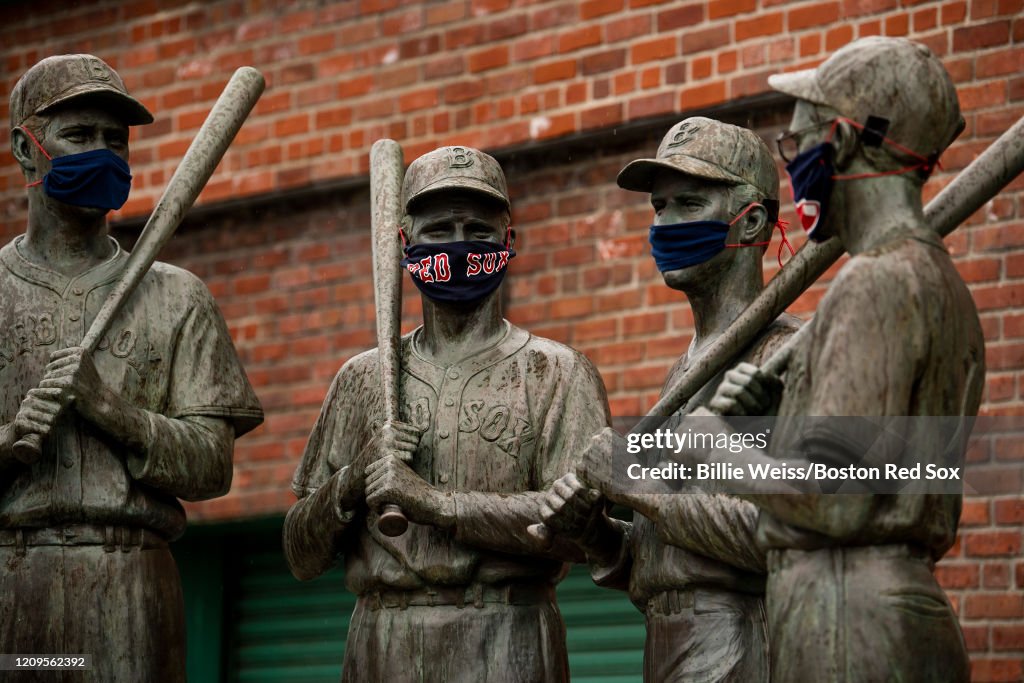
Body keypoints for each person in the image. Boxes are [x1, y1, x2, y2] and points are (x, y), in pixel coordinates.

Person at [667, 37, 983, 682]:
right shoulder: (932, 278)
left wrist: (711, 447)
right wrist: (779, 423)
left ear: (844, 139)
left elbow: (837, 499)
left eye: (800, 139)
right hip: (870, 604)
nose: (795, 158)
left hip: (848, 616)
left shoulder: (876, 281)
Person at [283, 145, 610, 682]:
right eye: (438, 230)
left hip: (508, 634)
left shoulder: (559, 372)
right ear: (404, 245)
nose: (459, 244)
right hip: (381, 640)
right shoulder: (362, 377)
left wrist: (437, 504)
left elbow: (585, 532)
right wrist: (352, 480)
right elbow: (300, 553)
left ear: (508, 241)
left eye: (478, 230)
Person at [0, 54, 263, 681]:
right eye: (79, 135)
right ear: (24, 148)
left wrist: (109, 410)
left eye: (114, 140)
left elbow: (212, 466)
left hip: (130, 586)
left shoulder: (178, 296)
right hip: (15, 584)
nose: (102, 153)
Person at [539, 117, 798, 682]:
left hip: (744, 637)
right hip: (667, 638)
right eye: (659, 207)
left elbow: (783, 535)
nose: (665, 223)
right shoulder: (684, 368)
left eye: (688, 204)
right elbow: (661, 556)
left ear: (750, 221)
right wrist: (595, 533)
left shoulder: (789, 357)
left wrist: (635, 486)